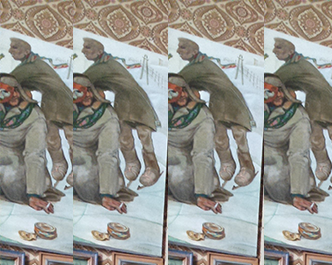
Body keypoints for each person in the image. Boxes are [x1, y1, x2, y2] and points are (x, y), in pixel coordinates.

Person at [80, 37, 160, 187]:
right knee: (124, 136)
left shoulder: (105, 65)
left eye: (88, 47)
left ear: (99, 51)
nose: (83, 50)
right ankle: (132, 162)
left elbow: (81, 81)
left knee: (144, 136)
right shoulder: (101, 64)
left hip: (138, 101)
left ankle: (152, 167)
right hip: (122, 101)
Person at [175, 38, 256, 186]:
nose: (178, 51)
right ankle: (227, 162)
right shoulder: (196, 65)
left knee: (239, 136)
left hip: (233, 100)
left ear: (194, 51)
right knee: (219, 137)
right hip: (217, 101)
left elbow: (176, 81)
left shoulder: (200, 66)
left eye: (183, 47)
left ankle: (247, 167)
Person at [272, 37, 332, 187]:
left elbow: (273, 80)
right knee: (315, 137)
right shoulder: (292, 64)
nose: (274, 51)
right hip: (313, 101)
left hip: (328, 101)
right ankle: (323, 162)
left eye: (279, 47)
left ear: (290, 51)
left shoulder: (296, 66)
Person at [7, 38, 70, 181]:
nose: (10, 51)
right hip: (50, 101)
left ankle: (70, 167)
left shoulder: (30, 66)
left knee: (71, 136)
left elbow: (8, 81)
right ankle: (59, 162)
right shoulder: (30, 63)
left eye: (14, 47)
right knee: (51, 138)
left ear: (26, 51)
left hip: (63, 101)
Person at [165, 74, 229, 211]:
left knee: (181, 184)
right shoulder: (162, 109)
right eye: (172, 92)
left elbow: (203, 153)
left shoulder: (202, 115)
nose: (182, 95)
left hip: (186, 158)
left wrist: (202, 193)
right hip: (166, 154)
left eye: (182, 90)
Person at [261, 74, 325, 213]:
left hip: (284, 161)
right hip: (264, 155)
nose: (276, 95)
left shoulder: (298, 116)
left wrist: (298, 193)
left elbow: (299, 154)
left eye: (272, 91)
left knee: (275, 182)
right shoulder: (259, 109)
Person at [71, 74, 133, 212]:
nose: (87, 95)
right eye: (77, 92)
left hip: (91, 159)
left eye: (88, 90)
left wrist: (107, 193)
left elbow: (108, 153)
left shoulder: (107, 115)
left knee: (86, 183)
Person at [0, 74, 61, 211]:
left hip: (21, 166)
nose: (2, 96)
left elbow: (35, 154)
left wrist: (34, 192)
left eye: (6, 92)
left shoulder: (34, 117)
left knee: (10, 179)